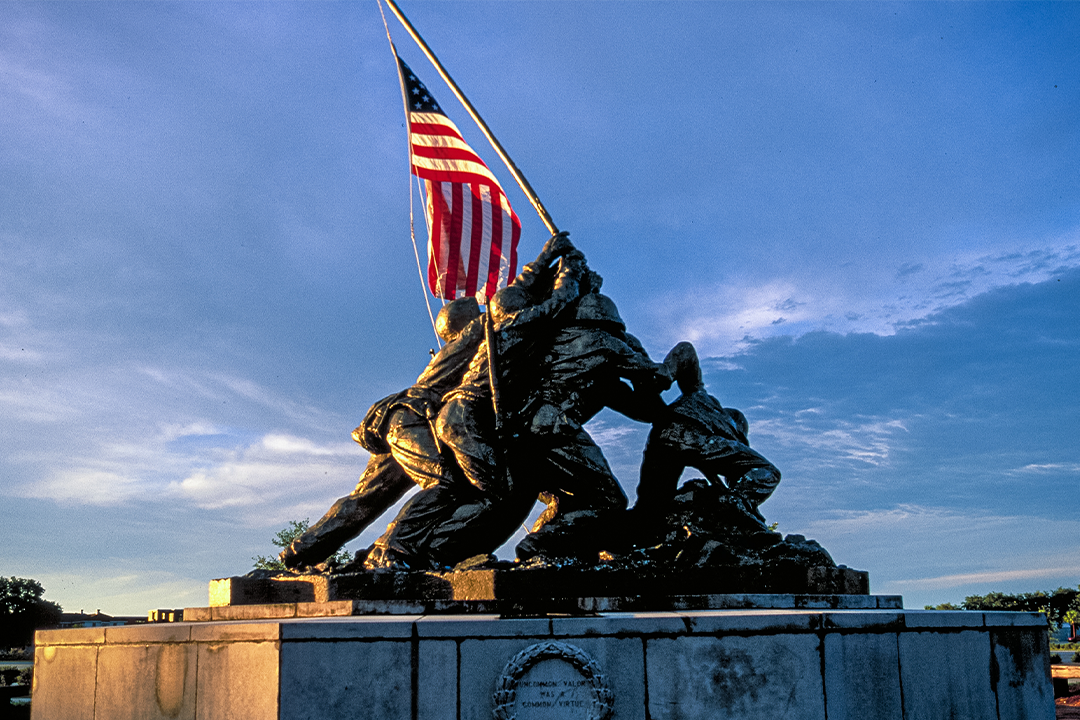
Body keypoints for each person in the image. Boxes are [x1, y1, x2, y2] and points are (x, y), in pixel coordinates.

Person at [278, 297, 482, 569]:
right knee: (447, 482)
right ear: (467, 320)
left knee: (366, 499)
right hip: (412, 421)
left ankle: (298, 552)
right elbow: (503, 310)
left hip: (403, 421)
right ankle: (391, 548)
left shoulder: (453, 351)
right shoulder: (473, 336)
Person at [631, 341, 780, 534]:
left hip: (661, 436)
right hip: (692, 437)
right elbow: (742, 473)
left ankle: (592, 530)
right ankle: (734, 506)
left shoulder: (696, 393)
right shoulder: (729, 427)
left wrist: (666, 372)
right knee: (769, 472)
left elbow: (686, 351)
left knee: (649, 517)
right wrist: (740, 499)